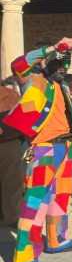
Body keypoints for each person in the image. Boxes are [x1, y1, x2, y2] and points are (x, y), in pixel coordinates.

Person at [5, 38, 72, 262]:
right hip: (43, 149)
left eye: (67, 63)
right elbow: (17, 63)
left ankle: (58, 240)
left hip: (65, 147)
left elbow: (59, 115)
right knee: (35, 203)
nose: (64, 67)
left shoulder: (60, 86)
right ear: (47, 61)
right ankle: (24, 258)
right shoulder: (32, 79)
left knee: (60, 198)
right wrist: (52, 48)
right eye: (60, 62)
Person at [0, 81, 24, 226]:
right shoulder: (11, 94)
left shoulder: (11, 94)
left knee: (13, 183)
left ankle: (13, 216)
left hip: (10, 142)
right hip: (11, 141)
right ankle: (13, 217)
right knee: (13, 184)